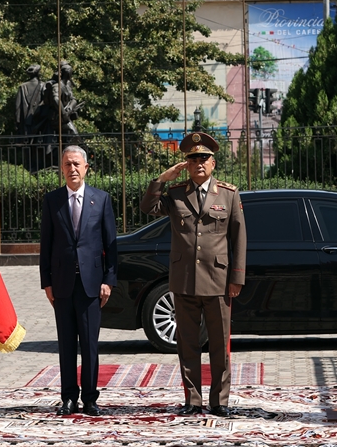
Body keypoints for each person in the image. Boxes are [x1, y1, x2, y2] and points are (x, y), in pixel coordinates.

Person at [141, 132, 247, 417]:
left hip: (219, 280)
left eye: (203, 158)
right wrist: (161, 180)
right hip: (184, 279)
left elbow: (239, 238)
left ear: (213, 163)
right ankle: (193, 400)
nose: (198, 162)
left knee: (219, 345)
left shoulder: (228, 194)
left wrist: (237, 278)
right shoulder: (175, 193)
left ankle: (220, 401)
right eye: (192, 158)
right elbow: (148, 207)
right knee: (187, 344)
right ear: (186, 164)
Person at [39, 146, 118, 417]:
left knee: (90, 345)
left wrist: (109, 280)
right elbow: (46, 245)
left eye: (76, 164)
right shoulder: (52, 201)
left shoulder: (102, 199)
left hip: (91, 285)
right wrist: (46, 282)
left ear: (86, 167)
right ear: (61, 169)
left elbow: (111, 245)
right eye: (67, 164)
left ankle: (90, 398)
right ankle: (69, 398)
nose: (72, 169)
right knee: (66, 345)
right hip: (61, 285)